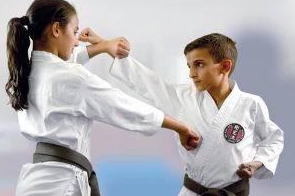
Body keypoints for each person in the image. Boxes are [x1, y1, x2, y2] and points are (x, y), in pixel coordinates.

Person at [5, 0, 201, 196]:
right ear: (56, 29)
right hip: (60, 185)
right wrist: (180, 127)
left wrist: (105, 45)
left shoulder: (28, 71)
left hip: (33, 182)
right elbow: (124, 106)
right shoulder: (72, 78)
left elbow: (68, 59)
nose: (76, 41)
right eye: (74, 32)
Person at [78, 31, 284, 196]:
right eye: (189, 66)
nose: (191, 74)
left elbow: (273, 139)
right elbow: (147, 81)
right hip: (193, 191)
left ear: (225, 66)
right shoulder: (182, 97)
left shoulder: (251, 104)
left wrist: (257, 163)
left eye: (199, 65)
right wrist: (107, 48)